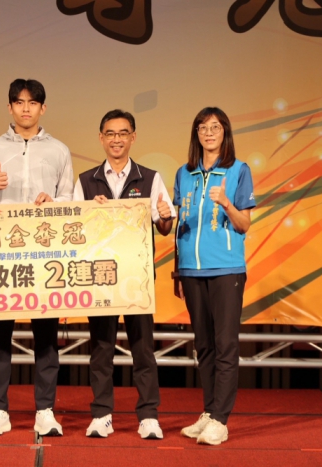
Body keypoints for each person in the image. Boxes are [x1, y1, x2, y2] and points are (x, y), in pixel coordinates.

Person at [0, 79, 74, 437]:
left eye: (32, 103)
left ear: (43, 108)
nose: (25, 108)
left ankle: (45, 410)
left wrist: (54, 202)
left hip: (44, 254)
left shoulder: (59, 150)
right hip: (3, 255)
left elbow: (70, 199)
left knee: (46, 335)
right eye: (19, 102)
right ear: (10, 107)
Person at [73, 109, 175, 439]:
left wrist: (164, 215)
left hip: (137, 278)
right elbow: (74, 230)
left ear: (133, 137)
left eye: (123, 133)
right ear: (101, 138)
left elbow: (164, 226)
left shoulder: (150, 178)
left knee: (143, 349)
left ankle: (148, 415)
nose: (116, 139)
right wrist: (92, 213)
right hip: (99, 276)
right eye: (110, 133)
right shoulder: (86, 181)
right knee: (101, 348)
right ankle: (101, 414)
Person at [174, 107, 255, 445]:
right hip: (191, 270)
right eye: (203, 127)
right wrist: (177, 271)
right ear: (196, 133)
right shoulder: (184, 173)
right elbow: (179, 224)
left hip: (226, 269)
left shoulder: (238, 170)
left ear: (225, 133)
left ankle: (221, 419)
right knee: (204, 345)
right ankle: (209, 412)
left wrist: (226, 204)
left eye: (215, 127)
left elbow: (244, 224)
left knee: (225, 345)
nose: (209, 133)